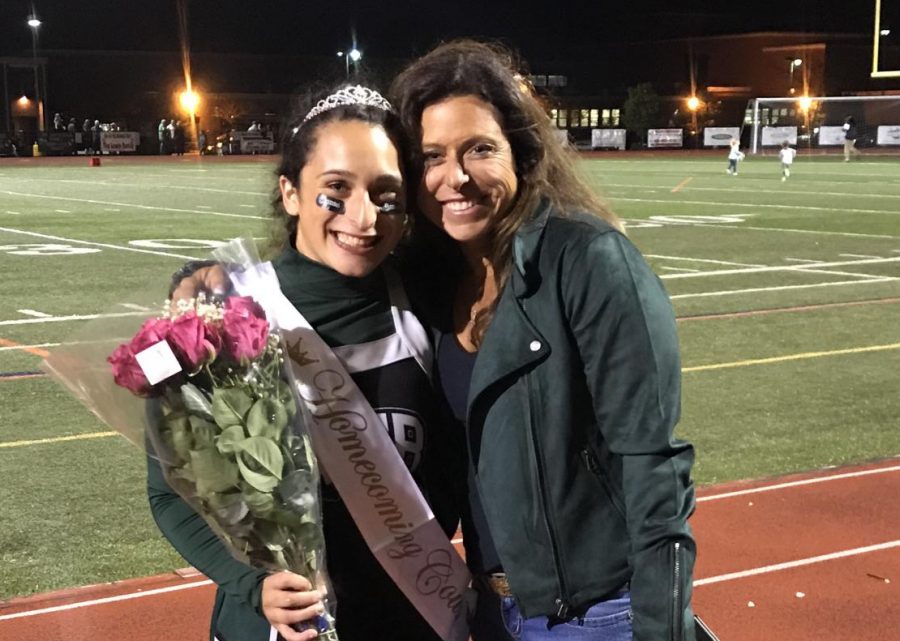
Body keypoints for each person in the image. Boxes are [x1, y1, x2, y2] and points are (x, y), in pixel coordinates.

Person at [389, 40, 697, 641]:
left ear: (521, 153)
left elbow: (654, 465)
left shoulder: (588, 261)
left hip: (596, 613)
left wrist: (662, 629)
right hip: (488, 611)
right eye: (431, 157)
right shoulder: (429, 280)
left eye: (479, 149)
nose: (455, 177)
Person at [152, 83, 464, 641]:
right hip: (273, 627)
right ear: (290, 193)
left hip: (410, 620)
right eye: (335, 191)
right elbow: (170, 490)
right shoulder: (225, 314)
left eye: (386, 195)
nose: (364, 218)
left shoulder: (430, 306)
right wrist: (250, 583)